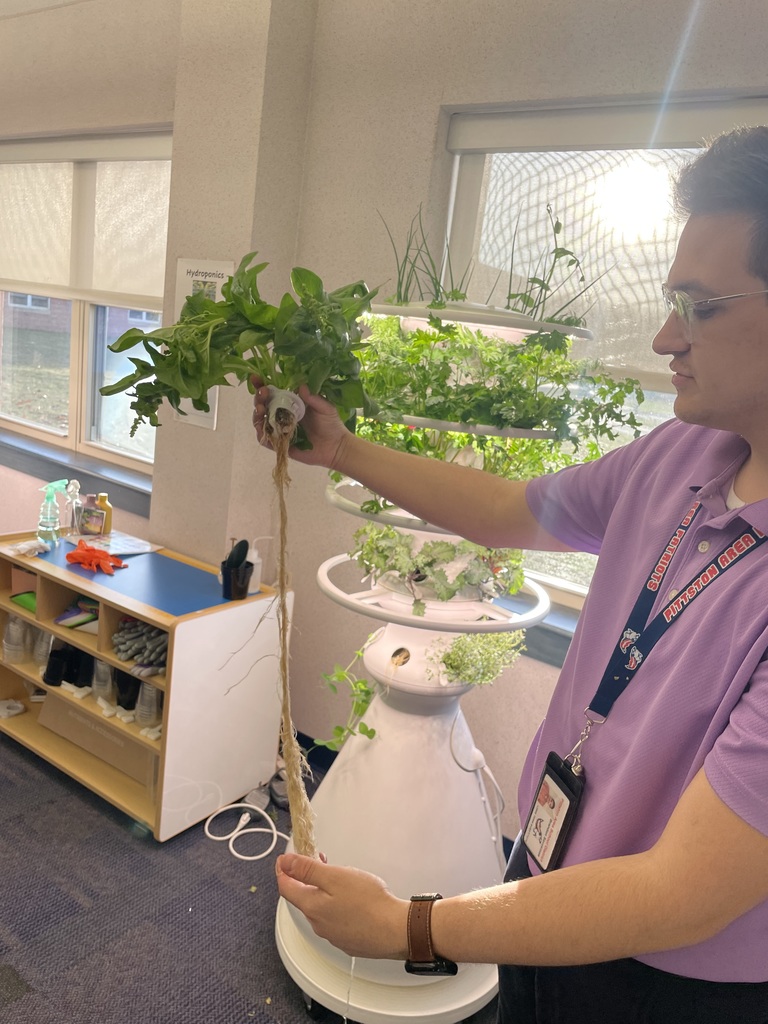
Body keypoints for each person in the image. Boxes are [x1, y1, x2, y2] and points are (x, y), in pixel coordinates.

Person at [252, 125, 768, 1023]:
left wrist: (414, 926)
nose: (663, 336)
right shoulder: (683, 454)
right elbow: (509, 511)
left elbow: (686, 891)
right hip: (545, 873)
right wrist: (342, 449)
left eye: (702, 306)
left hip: (667, 979)